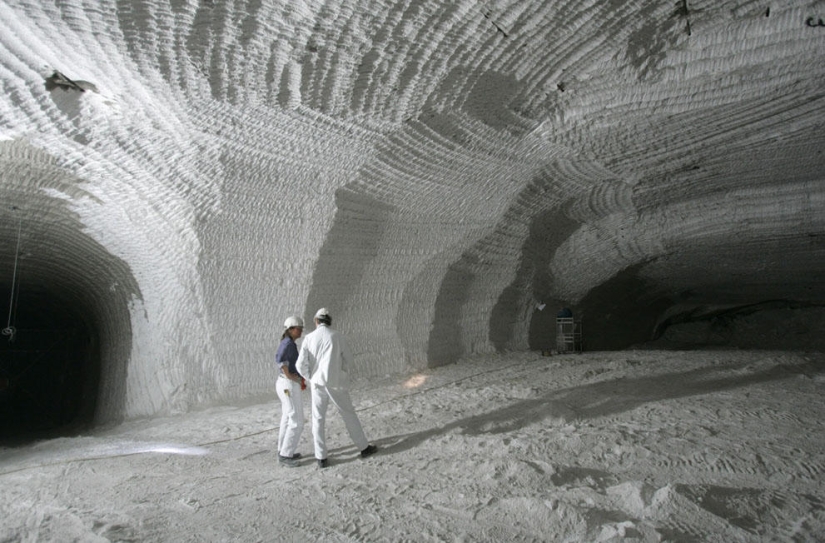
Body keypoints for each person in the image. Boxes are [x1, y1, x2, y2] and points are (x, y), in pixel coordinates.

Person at [296, 308, 377, 468]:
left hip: (318, 383)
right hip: (336, 383)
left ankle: (321, 457)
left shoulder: (309, 338)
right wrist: (342, 374)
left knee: (318, 419)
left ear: (316, 321)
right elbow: (349, 360)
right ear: (329, 320)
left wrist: (310, 377)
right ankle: (363, 447)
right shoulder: (337, 336)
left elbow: (300, 364)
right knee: (348, 414)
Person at [276, 316, 307, 467]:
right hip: (288, 384)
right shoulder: (288, 344)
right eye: (298, 328)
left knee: (287, 417)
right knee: (297, 420)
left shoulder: (288, 343)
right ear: (290, 329)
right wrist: (289, 375)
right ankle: (285, 454)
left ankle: (283, 449)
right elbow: (280, 359)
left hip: (285, 383)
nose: (300, 331)